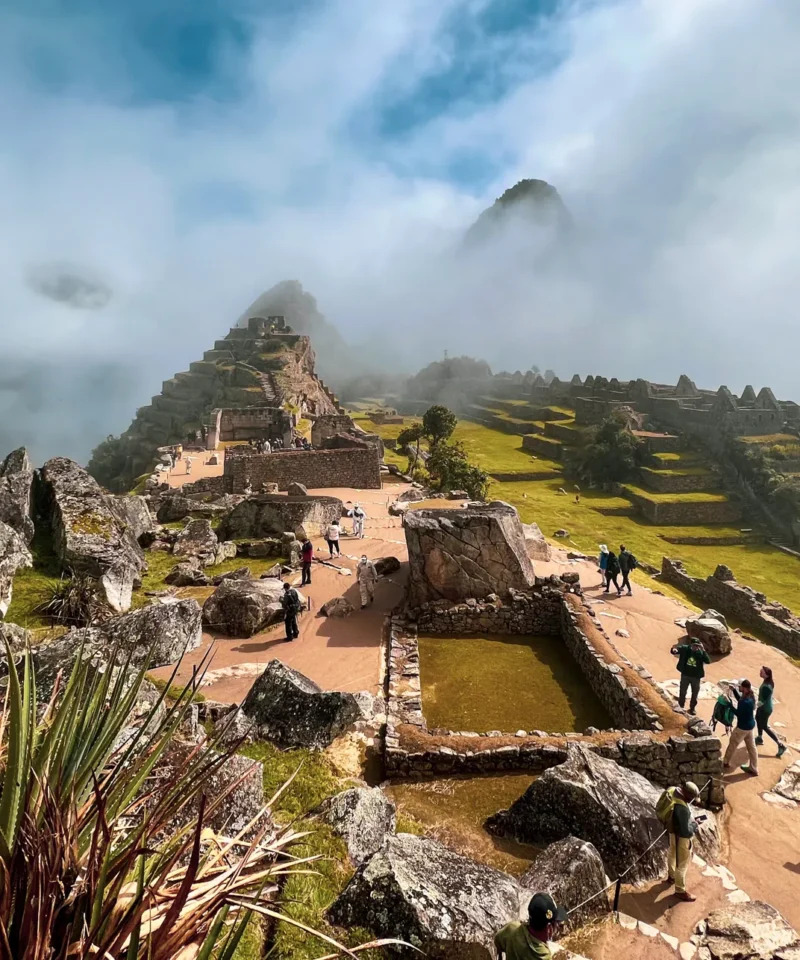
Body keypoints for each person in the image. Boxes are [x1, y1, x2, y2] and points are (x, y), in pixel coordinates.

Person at [657, 780, 702, 902]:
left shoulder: (672, 791)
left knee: (672, 853)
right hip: (682, 838)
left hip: (672, 831)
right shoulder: (682, 808)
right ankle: (680, 890)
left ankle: (671, 877)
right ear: (688, 796)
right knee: (682, 864)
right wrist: (695, 824)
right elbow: (686, 831)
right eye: (691, 798)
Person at [495, 892, 567, 960]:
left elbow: (497, 941)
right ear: (548, 927)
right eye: (556, 923)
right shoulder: (544, 956)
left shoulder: (512, 928)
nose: (557, 926)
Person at [724, 678, 759, 775]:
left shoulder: (744, 702)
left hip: (742, 728)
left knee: (732, 744)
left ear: (744, 688)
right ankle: (754, 768)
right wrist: (734, 690)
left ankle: (725, 762)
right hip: (750, 727)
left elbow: (738, 713)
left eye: (740, 687)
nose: (739, 688)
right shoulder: (751, 697)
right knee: (752, 748)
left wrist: (729, 704)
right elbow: (740, 700)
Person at [670, 636, 711, 715]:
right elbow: (676, 650)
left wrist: (703, 650)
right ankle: (681, 706)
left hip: (696, 677)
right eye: (694, 645)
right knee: (682, 691)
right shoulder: (685, 649)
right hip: (685, 675)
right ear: (691, 645)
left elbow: (708, 661)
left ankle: (692, 708)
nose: (696, 647)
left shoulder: (700, 653)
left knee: (695, 693)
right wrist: (674, 650)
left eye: (697, 645)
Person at [756, 665, 787, 758]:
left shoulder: (766, 687)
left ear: (767, 675)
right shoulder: (768, 682)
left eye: (762, 672)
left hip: (765, 709)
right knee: (757, 718)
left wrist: (753, 706)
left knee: (764, 726)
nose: (760, 673)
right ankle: (760, 737)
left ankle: (780, 744)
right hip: (764, 707)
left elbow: (762, 701)